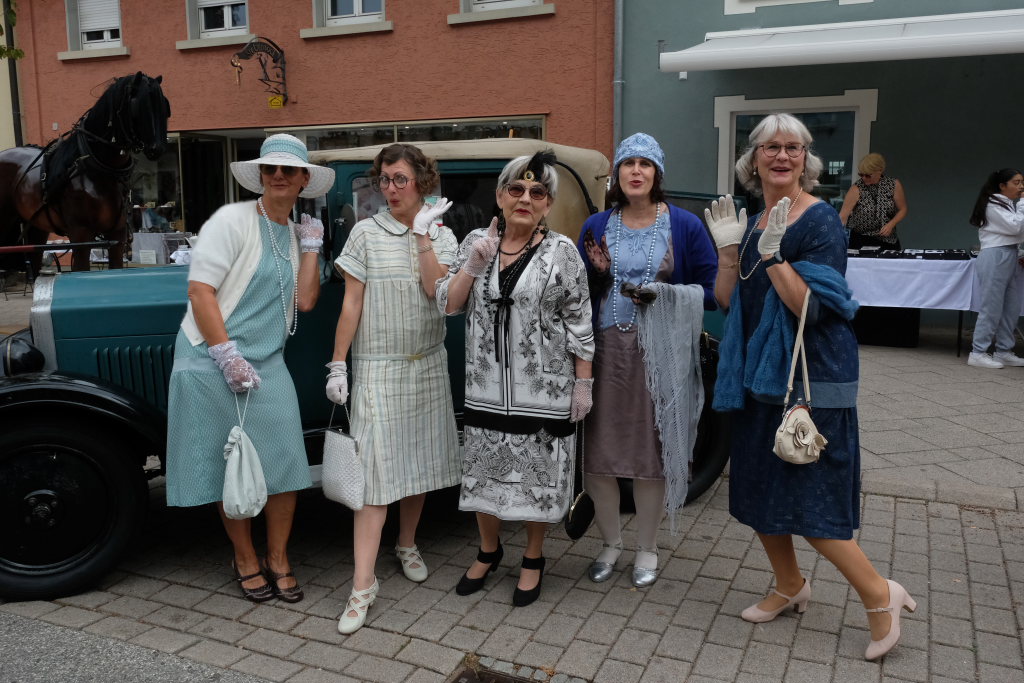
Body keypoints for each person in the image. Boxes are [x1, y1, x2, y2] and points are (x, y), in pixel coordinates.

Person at [706, 114, 917, 661]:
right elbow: (729, 301)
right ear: (753, 159)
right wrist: (729, 254)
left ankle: (880, 594)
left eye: (793, 148)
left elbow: (813, 307)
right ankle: (789, 585)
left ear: (806, 160)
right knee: (757, 490)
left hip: (812, 377)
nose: (782, 156)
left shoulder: (821, 220)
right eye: (770, 147)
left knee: (813, 501)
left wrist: (775, 255)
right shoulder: (754, 219)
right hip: (759, 375)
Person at [165, 133, 334, 604]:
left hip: (268, 361)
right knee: (231, 464)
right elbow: (200, 291)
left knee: (286, 463)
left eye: (288, 169)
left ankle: (278, 557)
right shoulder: (231, 221)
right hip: (210, 358)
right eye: (269, 168)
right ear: (260, 175)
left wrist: (311, 247)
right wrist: (226, 355)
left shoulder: (297, 232)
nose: (278, 175)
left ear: (303, 180)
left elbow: (305, 301)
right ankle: (244, 558)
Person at [436, 150, 595, 607]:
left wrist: (583, 384)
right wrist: (472, 266)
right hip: (486, 388)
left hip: (544, 390)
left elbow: (580, 321)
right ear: (501, 196)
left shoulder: (562, 252)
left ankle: (533, 556)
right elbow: (449, 304)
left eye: (537, 192)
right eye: (516, 189)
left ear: (548, 204)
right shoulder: (475, 241)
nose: (526, 198)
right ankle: (488, 551)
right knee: (484, 477)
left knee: (536, 481)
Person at [327, 143, 460, 634]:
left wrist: (423, 235)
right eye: (383, 179)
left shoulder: (444, 235)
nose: (390, 188)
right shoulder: (365, 232)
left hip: (426, 365)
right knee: (374, 478)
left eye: (400, 179)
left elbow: (438, 294)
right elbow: (351, 303)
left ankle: (406, 543)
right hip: (378, 368)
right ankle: (363, 585)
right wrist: (337, 365)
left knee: (417, 464)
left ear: (422, 181)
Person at [577, 133, 717, 587]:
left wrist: (665, 294)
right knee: (597, 456)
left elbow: (712, 291)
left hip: (660, 357)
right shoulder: (597, 224)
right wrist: (599, 277)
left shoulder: (684, 225)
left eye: (646, 164)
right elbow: (577, 292)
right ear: (617, 173)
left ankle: (647, 548)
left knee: (651, 457)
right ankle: (610, 543)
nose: (636, 171)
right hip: (603, 356)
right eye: (628, 163)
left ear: (657, 174)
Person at [966, 168, 1024, 369]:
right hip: (995, 255)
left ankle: (1003, 351)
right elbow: (1016, 227)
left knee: (1011, 307)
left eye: (1022, 182)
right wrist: (1023, 203)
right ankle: (978, 352)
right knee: (991, 306)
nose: (1021, 186)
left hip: (1010, 253)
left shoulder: (1007, 204)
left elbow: (1017, 231)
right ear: (1002, 185)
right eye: (1016, 182)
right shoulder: (993, 204)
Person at [838, 153, 907, 250]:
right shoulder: (856, 188)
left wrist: (891, 224)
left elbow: (903, 209)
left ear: (880, 171)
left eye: (868, 175)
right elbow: (842, 217)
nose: (863, 178)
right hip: (861, 239)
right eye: (861, 175)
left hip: (888, 240)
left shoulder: (893, 185)